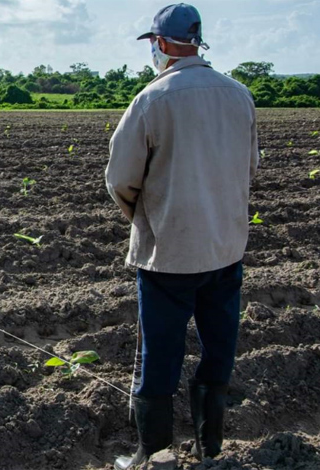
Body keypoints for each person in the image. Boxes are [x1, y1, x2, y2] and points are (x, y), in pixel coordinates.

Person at [105, 4, 259, 469]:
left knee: (160, 353)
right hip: (226, 249)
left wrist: (147, 218)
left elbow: (120, 179)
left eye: (152, 42)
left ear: (163, 44)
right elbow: (251, 167)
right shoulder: (240, 95)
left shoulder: (152, 100)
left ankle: (153, 453)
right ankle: (210, 448)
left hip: (168, 255)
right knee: (219, 347)